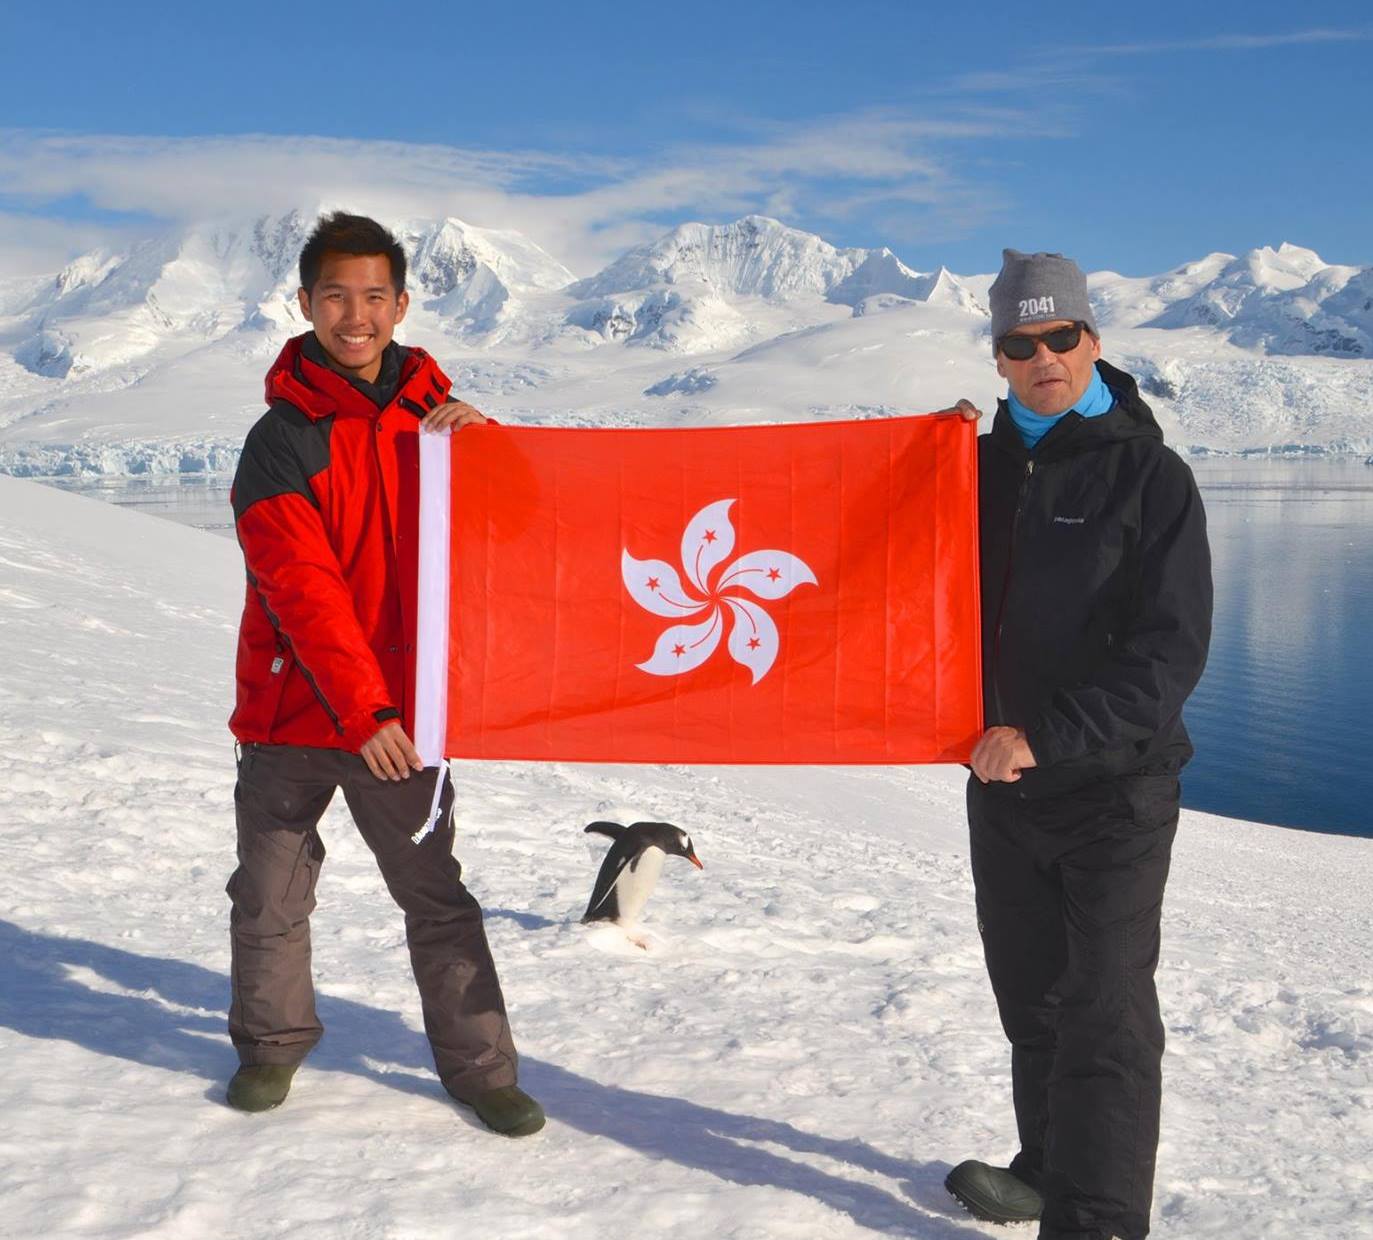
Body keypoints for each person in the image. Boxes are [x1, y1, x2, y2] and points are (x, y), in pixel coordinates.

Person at [225, 211, 544, 1137]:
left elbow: (527, 535)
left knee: (435, 896)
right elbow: (302, 588)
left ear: (401, 303)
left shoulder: (440, 427)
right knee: (271, 895)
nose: (354, 315)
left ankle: (482, 1071)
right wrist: (364, 707)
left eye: (373, 296)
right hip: (297, 713)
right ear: (305, 304)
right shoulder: (279, 439)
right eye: (336, 296)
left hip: (408, 719)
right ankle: (271, 1049)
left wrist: (495, 455)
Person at [944, 250, 1212, 1238]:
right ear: (999, 356)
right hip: (1001, 790)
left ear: (1091, 341)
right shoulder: (967, 472)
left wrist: (1044, 738)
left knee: (1101, 1014)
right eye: (1019, 343)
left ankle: (1095, 1221)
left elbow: (1167, 654)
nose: (1041, 356)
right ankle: (1047, 1169)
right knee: (1032, 1004)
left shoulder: (1149, 476)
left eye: (1059, 336)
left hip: (1113, 791)